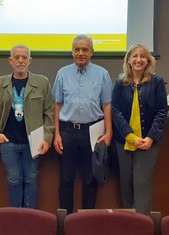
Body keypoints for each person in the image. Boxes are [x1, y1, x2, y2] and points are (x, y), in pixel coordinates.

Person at [52, 34, 113, 214]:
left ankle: (87, 221)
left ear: (92, 52)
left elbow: (107, 104)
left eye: (85, 49)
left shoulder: (102, 74)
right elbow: (57, 104)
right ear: (72, 52)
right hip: (67, 131)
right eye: (77, 49)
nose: (80, 53)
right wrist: (56, 133)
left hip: (93, 131)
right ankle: (65, 221)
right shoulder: (62, 73)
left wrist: (108, 132)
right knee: (66, 179)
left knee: (90, 179)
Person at [0, 44, 55, 208]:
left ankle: (30, 216)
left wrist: (47, 138)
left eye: (24, 57)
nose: (20, 61)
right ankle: (15, 216)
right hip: (8, 142)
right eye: (16, 57)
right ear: (10, 61)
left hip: (33, 142)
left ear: (30, 60)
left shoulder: (42, 82)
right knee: (13, 179)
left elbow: (49, 113)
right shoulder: (0, 83)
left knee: (31, 178)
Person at [111, 44, 167, 215]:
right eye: (134, 56)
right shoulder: (120, 83)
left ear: (148, 61)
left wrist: (150, 137)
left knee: (142, 185)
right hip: (125, 143)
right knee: (126, 186)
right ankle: (129, 225)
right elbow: (115, 110)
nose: (138, 59)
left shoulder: (156, 82)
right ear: (128, 60)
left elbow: (161, 111)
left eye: (142, 56)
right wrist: (129, 135)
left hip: (147, 144)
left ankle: (143, 225)